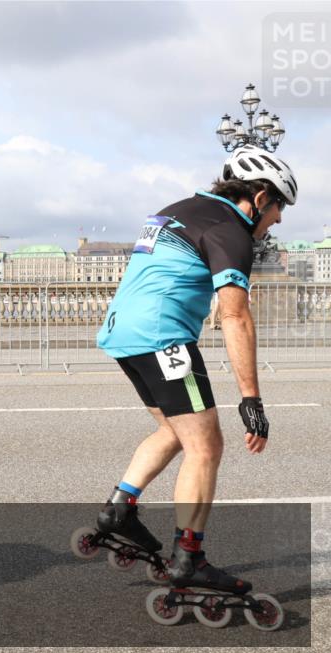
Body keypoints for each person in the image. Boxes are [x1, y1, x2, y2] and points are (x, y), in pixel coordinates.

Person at [94, 145, 297, 591]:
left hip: (122, 333)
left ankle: (119, 508)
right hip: (164, 339)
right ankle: (189, 556)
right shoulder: (232, 232)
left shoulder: (178, 209)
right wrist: (251, 398)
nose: (278, 221)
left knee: (175, 431)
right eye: (279, 206)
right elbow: (235, 316)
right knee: (206, 447)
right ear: (259, 198)